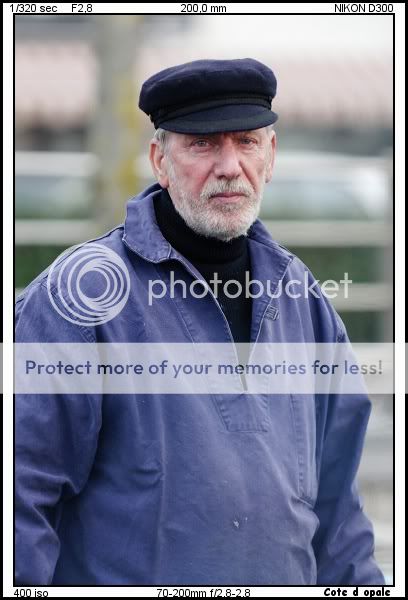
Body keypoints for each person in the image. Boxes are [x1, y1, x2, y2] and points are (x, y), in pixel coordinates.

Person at [15, 58, 385, 586]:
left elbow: (340, 523)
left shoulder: (306, 303)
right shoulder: (79, 300)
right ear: (159, 161)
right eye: (203, 144)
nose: (230, 165)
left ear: (272, 155)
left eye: (248, 142)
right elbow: (20, 503)